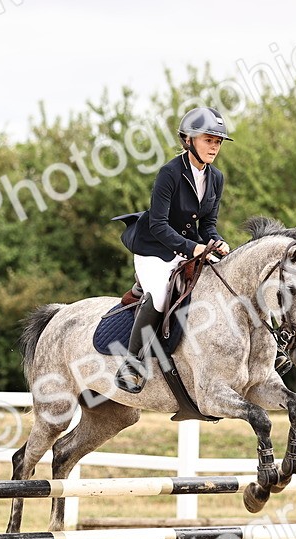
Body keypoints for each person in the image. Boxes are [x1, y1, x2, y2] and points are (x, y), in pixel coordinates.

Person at [111, 106, 233, 393]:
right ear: (188, 140)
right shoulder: (170, 173)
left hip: (189, 247)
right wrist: (194, 248)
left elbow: (208, 224)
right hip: (154, 247)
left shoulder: (216, 177)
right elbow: (158, 225)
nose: (214, 147)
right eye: (208, 140)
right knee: (159, 295)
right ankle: (131, 364)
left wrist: (216, 241)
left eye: (217, 141)